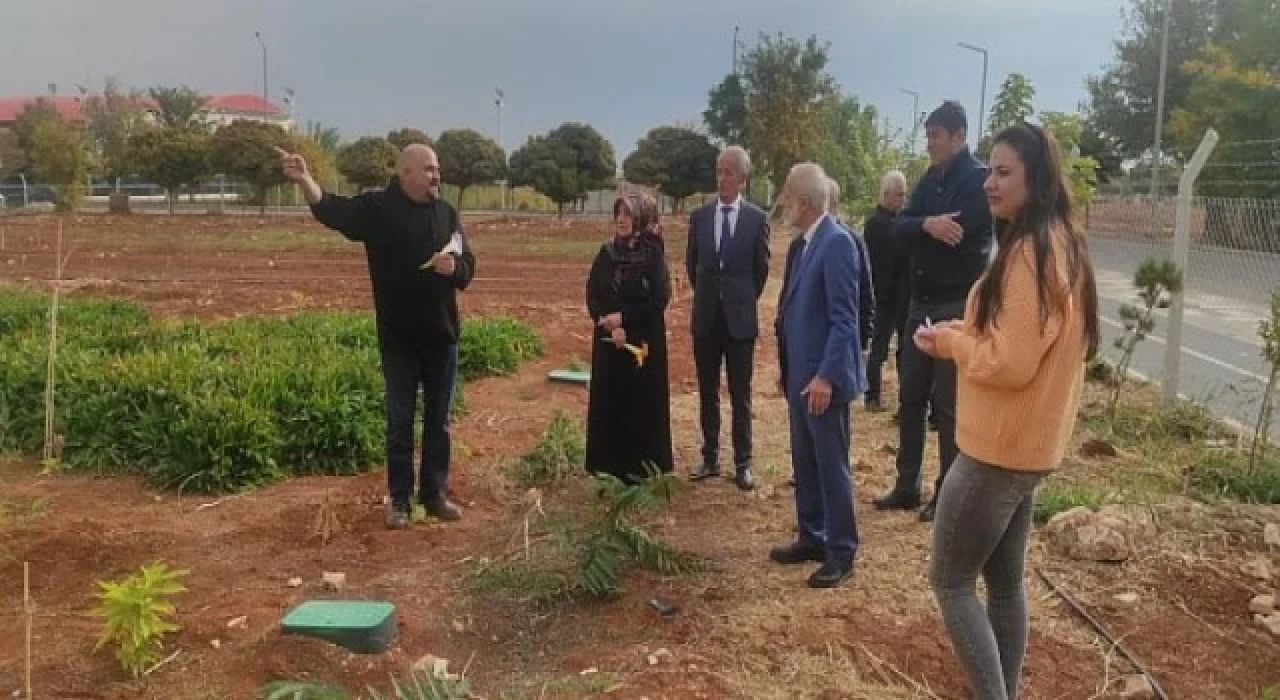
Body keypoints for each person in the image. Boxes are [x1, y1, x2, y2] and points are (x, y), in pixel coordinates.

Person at [914, 123, 1100, 700]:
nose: (989, 183)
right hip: (1027, 451)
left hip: (996, 452)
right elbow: (1019, 340)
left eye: (1003, 173)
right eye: (989, 171)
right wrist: (963, 329)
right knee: (1003, 586)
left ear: (1035, 179)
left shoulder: (1030, 255)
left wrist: (950, 345)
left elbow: (1011, 363)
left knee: (950, 581)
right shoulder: (1056, 240)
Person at [276, 143, 475, 530]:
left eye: (438, 169)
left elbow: (468, 269)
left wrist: (454, 268)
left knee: (439, 422)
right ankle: (399, 500)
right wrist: (305, 180)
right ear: (407, 174)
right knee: (399, 422)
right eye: (430, 169)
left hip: (442, 337)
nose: (437, 176)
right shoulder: (378, 209)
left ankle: (434, 495)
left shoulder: (446, 213)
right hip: (399, 339)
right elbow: (333, 211)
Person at [874, 101, 994, 523]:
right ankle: (907, 485)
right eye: (927, 137)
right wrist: (926, 225)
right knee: (911, 397)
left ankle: (948, 493)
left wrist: (923, 228)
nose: (929, 145)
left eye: (935, 137)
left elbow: (962, 234)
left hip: (955, 305)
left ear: (959, 136)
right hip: (919, 304)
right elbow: (898, 228)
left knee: (948, 406)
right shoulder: (929, 180)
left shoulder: (976, 181)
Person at [770, 162, 865, 589]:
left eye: (787, 198)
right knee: (805, 462)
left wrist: (827, 376)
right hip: (800, 377)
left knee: (831, 466)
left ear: (804, 202)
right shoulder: (805, 244)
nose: (784, 206)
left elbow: (846, 320)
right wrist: (788, 369)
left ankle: (841, 551)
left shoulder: (837, 243)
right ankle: (812, 536)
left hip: (823, 382)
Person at [686, 146, 770, 491]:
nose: (722, 178)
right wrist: (711, 295)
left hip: (739, 321)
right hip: (706, 318)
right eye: (719, 171)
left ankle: (743, 462)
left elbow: (760, 272)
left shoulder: (756, 219)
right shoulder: (700, 218)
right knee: (708, 391)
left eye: (729, 173)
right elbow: (692, 266)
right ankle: (709, 457)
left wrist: (738, 299)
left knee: (741, 393)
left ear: (743, 179)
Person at [585, 193, 674, 483]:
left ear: (640, 218)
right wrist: (609, 325)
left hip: (643, 343)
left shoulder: (653, 254)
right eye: (618, 213)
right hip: (611, 343)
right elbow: (593, 295)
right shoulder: (606, 252)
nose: (621, 219)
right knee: (611, 404)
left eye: (628, 214)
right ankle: (609, 470)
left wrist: (624, 319)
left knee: (639, 405)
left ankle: (641, 472)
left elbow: (659, 300)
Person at [862, 171, 911, 413]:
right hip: (883, 297)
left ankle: (906, 400)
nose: (903, 199)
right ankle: (871, 395)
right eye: (899, 194)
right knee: (879, 349)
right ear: (887, 194)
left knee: (906, 350)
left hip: (903, 296)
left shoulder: (902, 221)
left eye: (904, 194)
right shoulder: (875, 224)